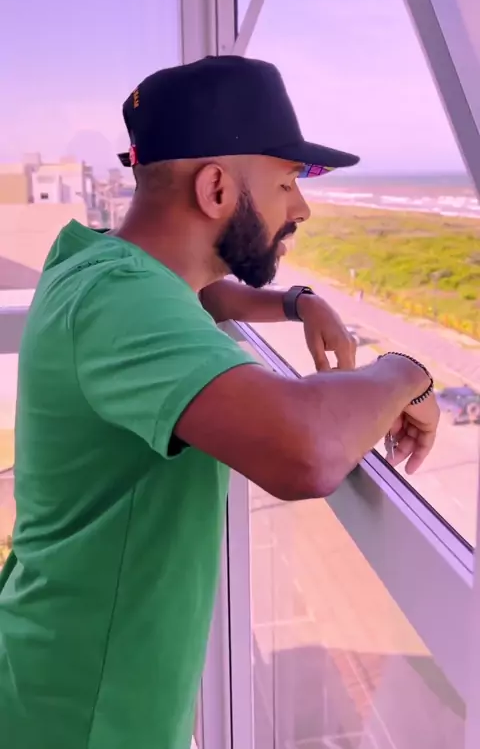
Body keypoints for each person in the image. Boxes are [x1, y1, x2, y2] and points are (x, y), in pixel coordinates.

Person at [0, 56, 439, 749]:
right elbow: (307, 450)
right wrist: (407, 372)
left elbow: (197, 291)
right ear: (214, 188)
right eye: (286, 182)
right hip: (82, 716)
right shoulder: (118, 301)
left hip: (59, 671)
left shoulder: (93, 264)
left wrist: (294, 301)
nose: (301, 208)